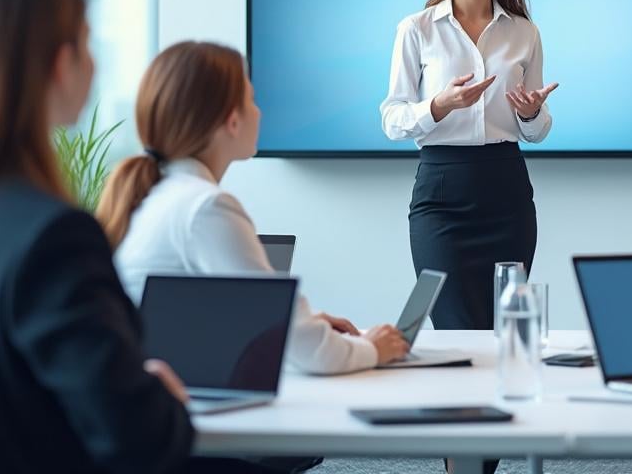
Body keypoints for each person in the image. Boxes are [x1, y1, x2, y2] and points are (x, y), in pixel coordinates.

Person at [0, 0, 264, 474]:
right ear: (61, 63)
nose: (95, 63)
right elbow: (135, 436)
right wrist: (161, 394)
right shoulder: (53, 237)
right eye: (87, 39)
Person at [99, 41, 408, 374]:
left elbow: (207, 322)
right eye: (251, 100)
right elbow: (316, 356)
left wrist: (300, 323)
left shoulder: (159, 195)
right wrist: (371, 348)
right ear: (233, 121)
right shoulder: (206, 207)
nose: (259, 111)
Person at [380, 0, 558, 331]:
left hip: (507, 192)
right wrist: (440, 105)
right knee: (455, 326)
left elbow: (536, 131)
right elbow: (392, 119)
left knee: (505, 328)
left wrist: (531, 113)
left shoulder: (524, 32)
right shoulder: (417, 28)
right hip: (441, 194)